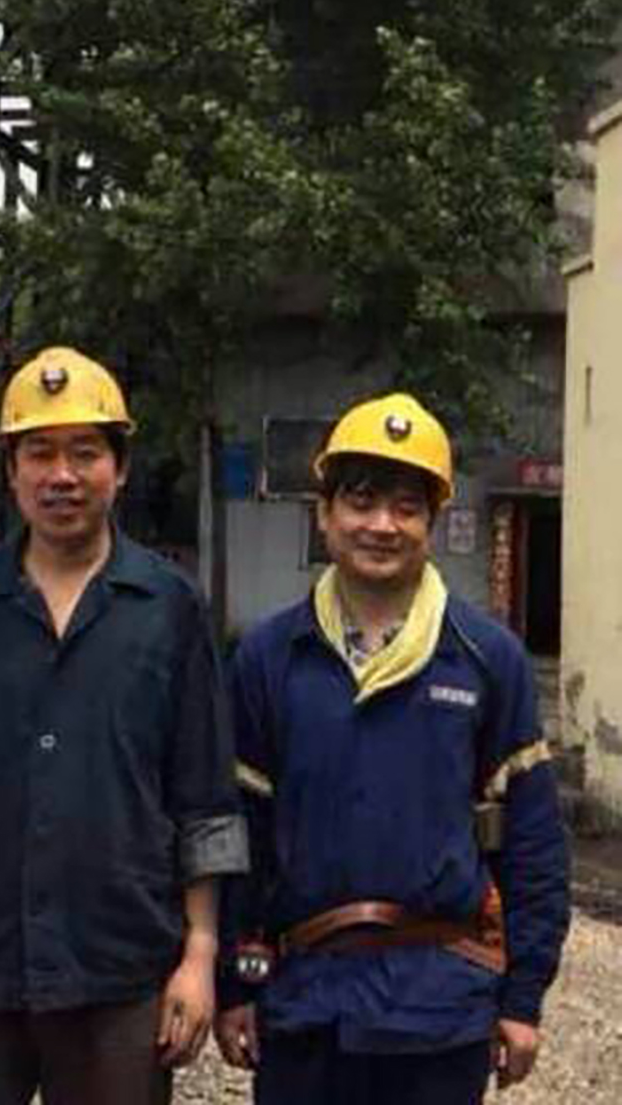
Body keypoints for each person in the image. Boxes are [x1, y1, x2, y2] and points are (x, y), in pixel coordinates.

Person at [0, 345, 246, 1105]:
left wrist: (200, 954)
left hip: (119, 961)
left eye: (85, 453)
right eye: (39, 453)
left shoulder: (168, 609)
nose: (62, 475)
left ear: (121, 468)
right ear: (11, 471)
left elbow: (203, 794)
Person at [216, 391, 569, 1105]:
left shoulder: (486, 658)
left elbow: (532, 843)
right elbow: (238, 835)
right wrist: (234, 985)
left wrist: (522, 998)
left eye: (407, 507)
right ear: (324, 513)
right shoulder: (269, 657)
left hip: (440, 1012)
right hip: (306, 1005)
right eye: (361, 501)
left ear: (431, 523)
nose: (382, 524)